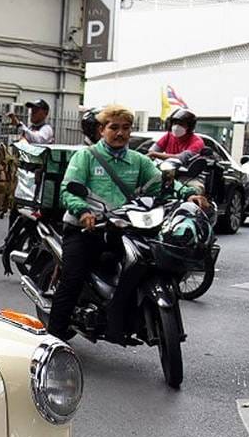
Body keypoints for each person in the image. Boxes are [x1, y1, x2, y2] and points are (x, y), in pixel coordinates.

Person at [46, 105, 209, 340]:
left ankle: (122, 317)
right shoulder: (86, 157)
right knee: (72, 280)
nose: (120, 133)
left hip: (123, 229)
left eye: (125, 128)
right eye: (114, 128)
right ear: (102, 130)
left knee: (147, 263)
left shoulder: (138, 161)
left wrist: (188, 194)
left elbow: (162, 184)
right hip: (85, 229)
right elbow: (68, 190)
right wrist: (83, 211)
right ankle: (53, 339)